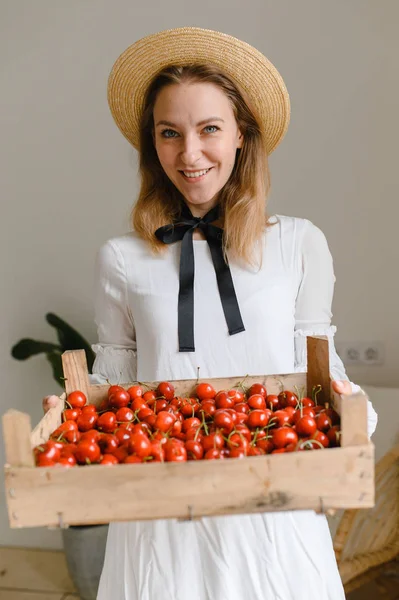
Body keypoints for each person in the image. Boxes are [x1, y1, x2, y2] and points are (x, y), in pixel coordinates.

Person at [44, 27, 378, 600]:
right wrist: (72, 414)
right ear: (153, 145)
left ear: (242, 135)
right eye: (169, 133)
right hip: (161, 521)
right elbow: (117, 385)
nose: (189, 154)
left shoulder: (300, 244)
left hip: (274, 514)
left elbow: (318, 371)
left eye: (210, 129)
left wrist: (352, 409)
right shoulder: (120, 258)